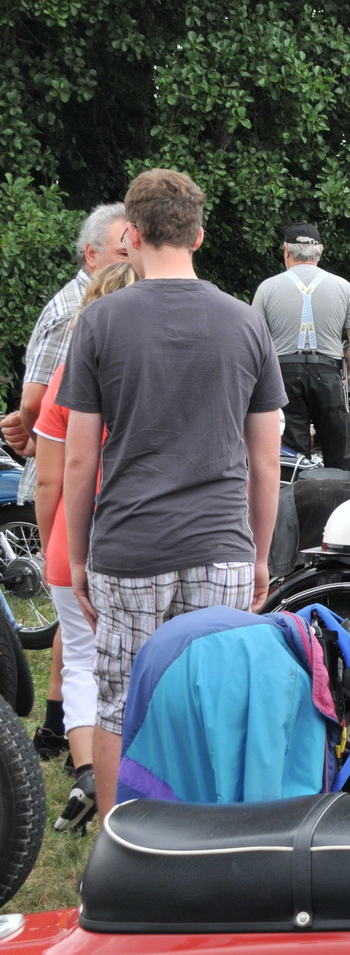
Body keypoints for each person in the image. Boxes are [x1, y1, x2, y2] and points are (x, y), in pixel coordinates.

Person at [60, 167, 286, 820]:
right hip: (220, 545)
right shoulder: (246, 324)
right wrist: (261, 555)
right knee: (212, 697)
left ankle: (120, 853)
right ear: (199, 235)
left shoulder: (100, 323)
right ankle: (209, 844)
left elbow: (80, 458)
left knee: (119, 701)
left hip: (129, 547)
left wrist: (77, 557)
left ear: (130, 234)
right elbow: (264, 462)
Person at [0, 202, 129, 761]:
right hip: (63, 480)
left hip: (71, 478)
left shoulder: (100, 307)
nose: (135, 257)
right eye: (125, 249)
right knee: (78, 625)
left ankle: (58, 728)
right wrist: (32, 432)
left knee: (76, 628)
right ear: (92, 253)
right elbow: (38, 397)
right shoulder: (75, 310)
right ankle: (62, 729)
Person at [33, 262, 138, 831]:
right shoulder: (150, 368)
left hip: (74, 538)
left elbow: (51, 477)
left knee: (81, 662)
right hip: (137, 534)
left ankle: (85, 773)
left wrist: (53, 536)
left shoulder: (68, 375)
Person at [251, 225, 350, 470]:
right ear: (320, 251)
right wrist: (345, 373)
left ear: (286, 250)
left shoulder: (267, 288)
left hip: (282, 376)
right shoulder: (343, 287)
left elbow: (255, 342)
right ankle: (338, 499)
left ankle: (293, 501)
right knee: (338, 452)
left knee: (291, 456)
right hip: (328, 374)